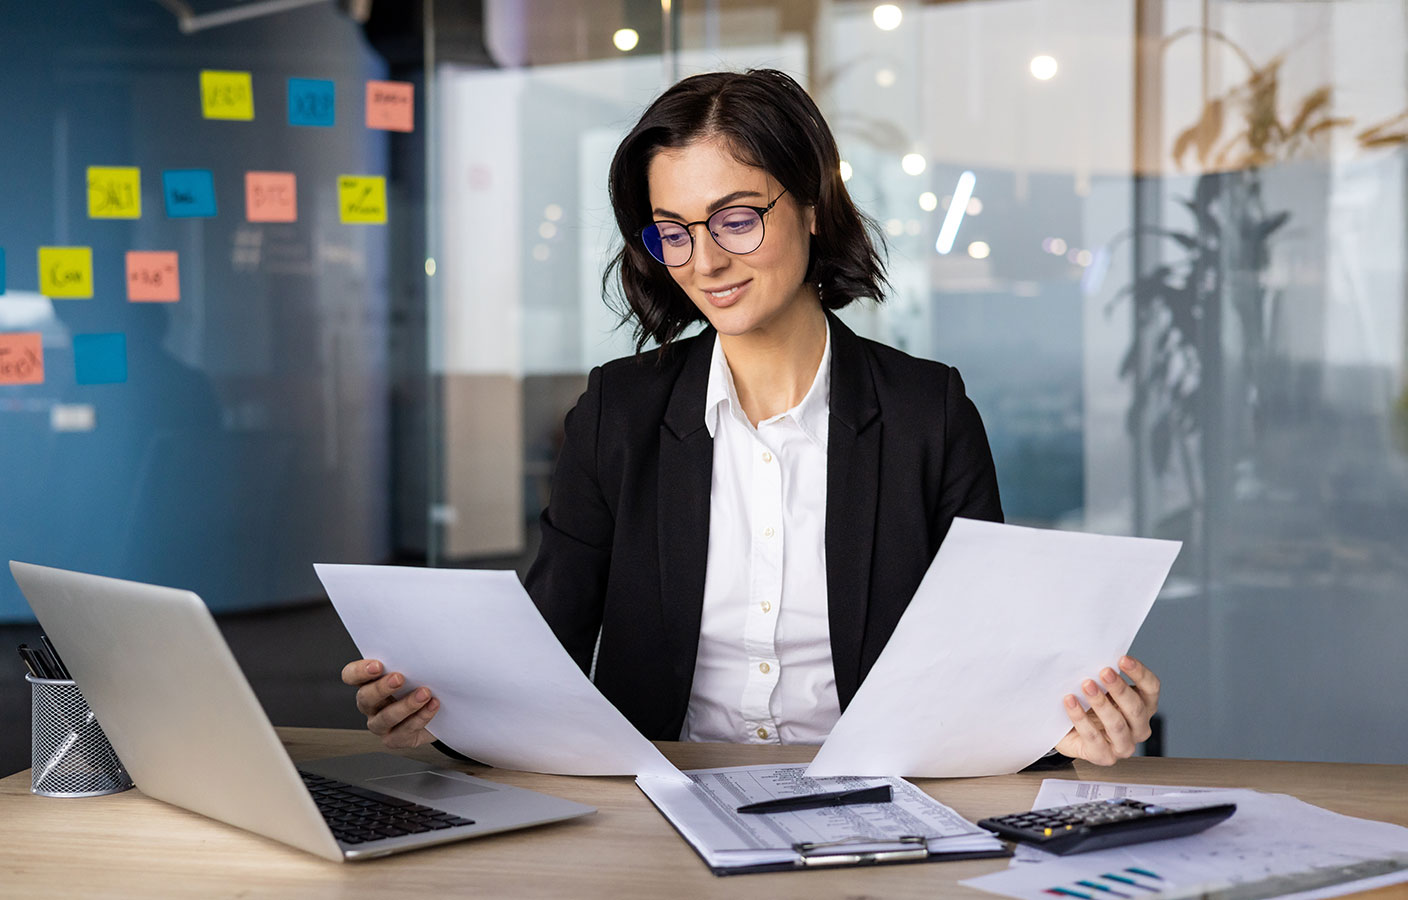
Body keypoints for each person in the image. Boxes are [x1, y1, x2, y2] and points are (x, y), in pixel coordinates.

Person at [343, 69, 1159, 767]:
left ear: (810, 205)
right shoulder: (617, 415)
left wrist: (1074, 728)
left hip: (874, 804)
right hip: (660, 809)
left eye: (736, 218)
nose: (705, 261)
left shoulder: (926, 412)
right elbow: (538, 657)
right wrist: (437, 709)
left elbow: (991, 667)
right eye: (674, 232)